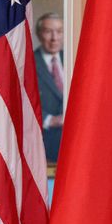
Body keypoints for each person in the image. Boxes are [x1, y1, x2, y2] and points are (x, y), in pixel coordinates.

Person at [32, 12, 64, 163]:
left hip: (74, 141)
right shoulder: (28, 63)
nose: (54, 38)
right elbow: (19, 101)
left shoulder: (73, 58)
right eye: (48, 31)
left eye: (59, 31)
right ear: (38, 34)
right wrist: (49, 119)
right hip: (43, 143)